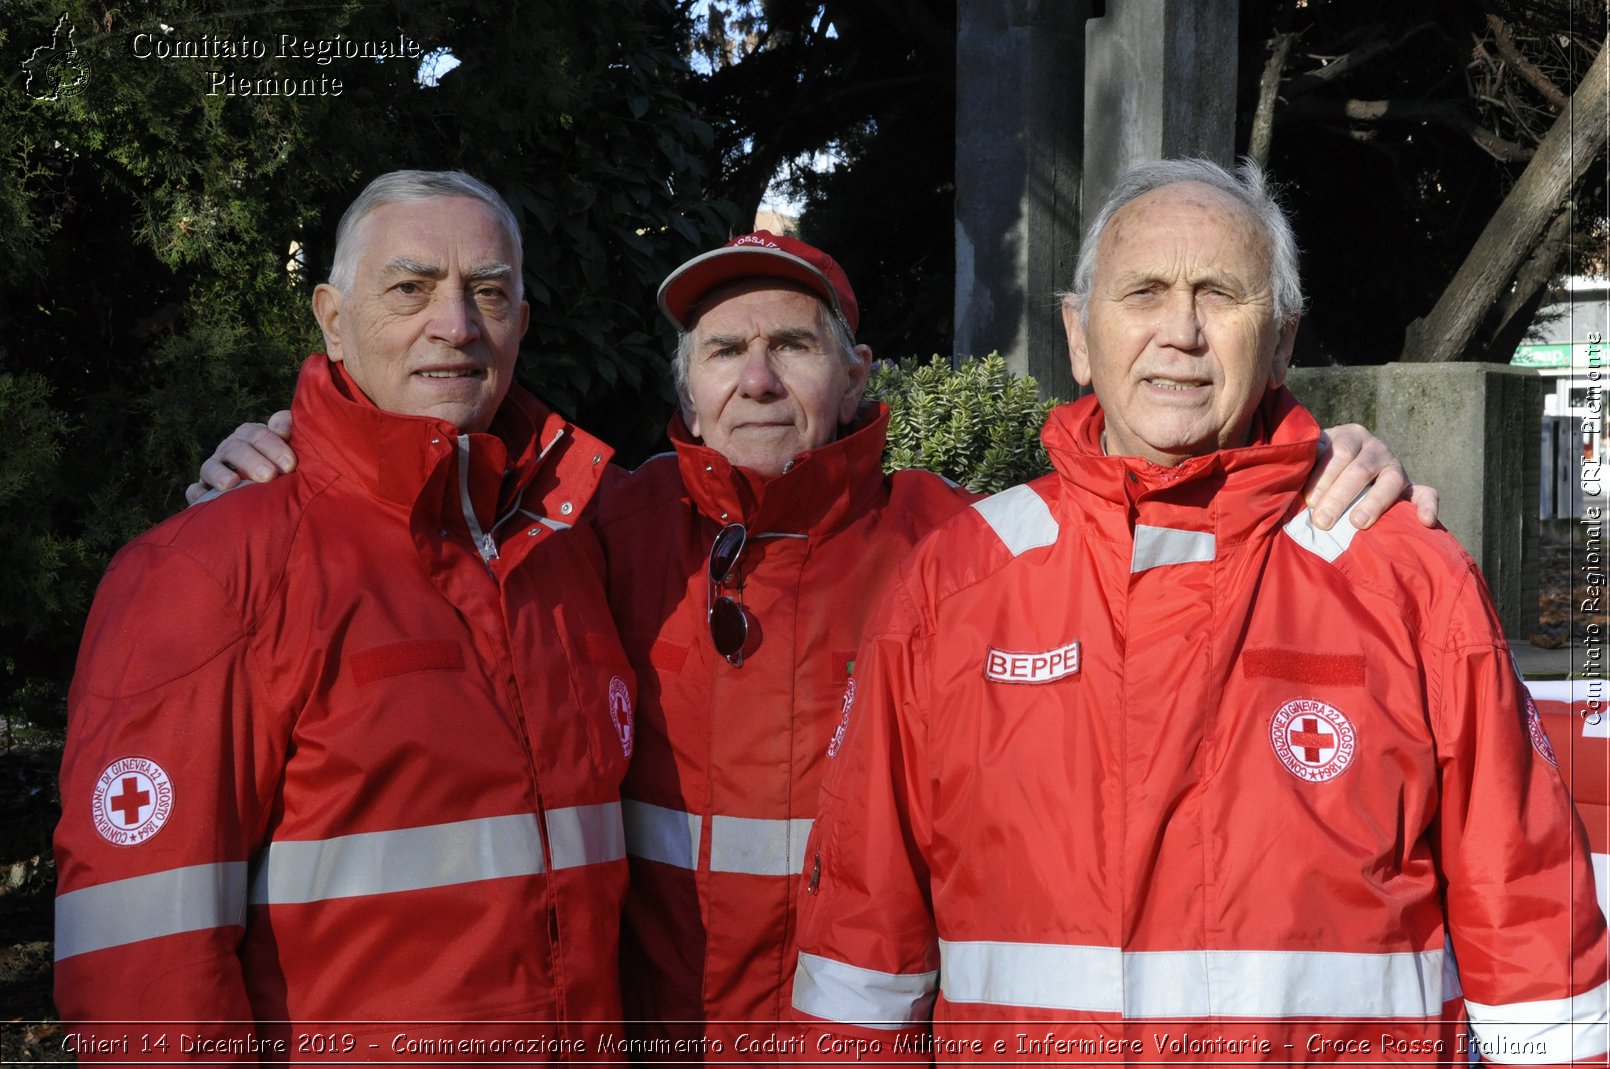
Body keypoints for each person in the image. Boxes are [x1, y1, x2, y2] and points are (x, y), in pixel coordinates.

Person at [187, 230, 1438, 1054]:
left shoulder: (962, 552)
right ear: (683, 390)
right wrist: (294, 454)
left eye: (792, 345)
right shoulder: (589, 537)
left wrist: (1312, 452)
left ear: (855, 373)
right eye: (724, 350)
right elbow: (430, 538)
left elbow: (1155, 528)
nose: (759, 379)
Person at [789, 158, 1608, 1064]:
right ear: (1077, 333)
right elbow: (860, 958)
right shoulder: (953, 585)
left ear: (1284, 339)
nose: (1179, 332)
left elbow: (1534, 930)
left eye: (1219, 293)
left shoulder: (1409, 577)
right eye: (1143, 291)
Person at [54, 170, 633, 1060]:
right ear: (331, 317)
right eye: (411, 289)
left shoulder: (574, 544)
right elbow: (141, 965)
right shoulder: (210, 569)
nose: (457, 324)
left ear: (522, 320)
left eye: (490, 292)